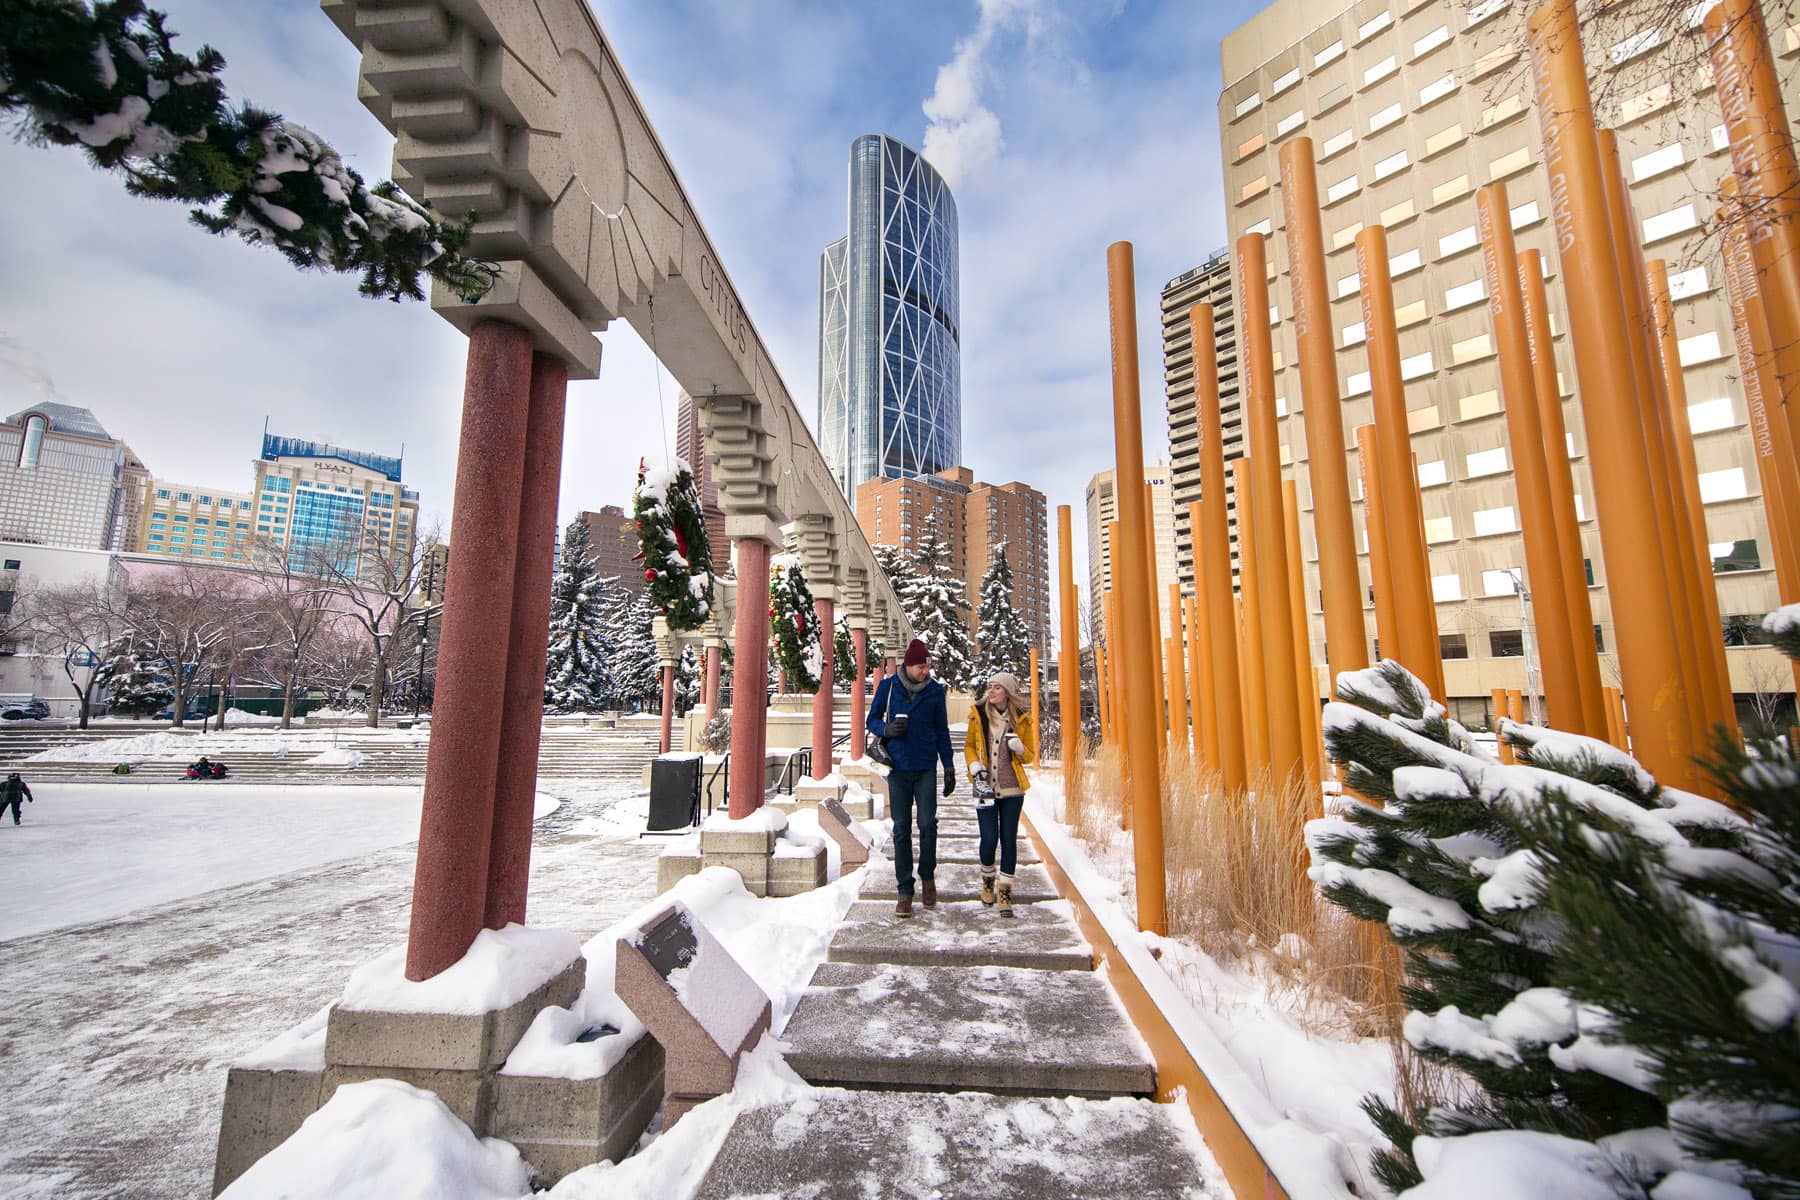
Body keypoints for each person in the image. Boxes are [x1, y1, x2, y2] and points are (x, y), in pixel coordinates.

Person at [866, 638, 956, 917]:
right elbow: (871, 720)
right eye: (921, 667)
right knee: (901, 829)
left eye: (927, 666)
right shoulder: (888, 687)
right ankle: (905, 890)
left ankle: (927, 876)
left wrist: (949, 767)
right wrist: (887, 729)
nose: (925, 672)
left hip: (926, 766)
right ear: (908, 664)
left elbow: (942, 730)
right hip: (898, 768)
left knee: (928, 824)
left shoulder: (935, 691)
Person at [964, 673, 1037, 917]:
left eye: (997, 688)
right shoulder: (979, 715)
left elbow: (1029, 756)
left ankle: (1005, 891)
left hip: (1012, 789)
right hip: (985, 788)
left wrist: (1020, 748)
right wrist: (973, 765)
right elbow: (970, 746)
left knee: (1008, 839)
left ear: (1008, 692)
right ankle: (987, 881)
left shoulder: (1022, 721)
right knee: (988, 838)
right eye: (990, 687)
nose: (992, 691)